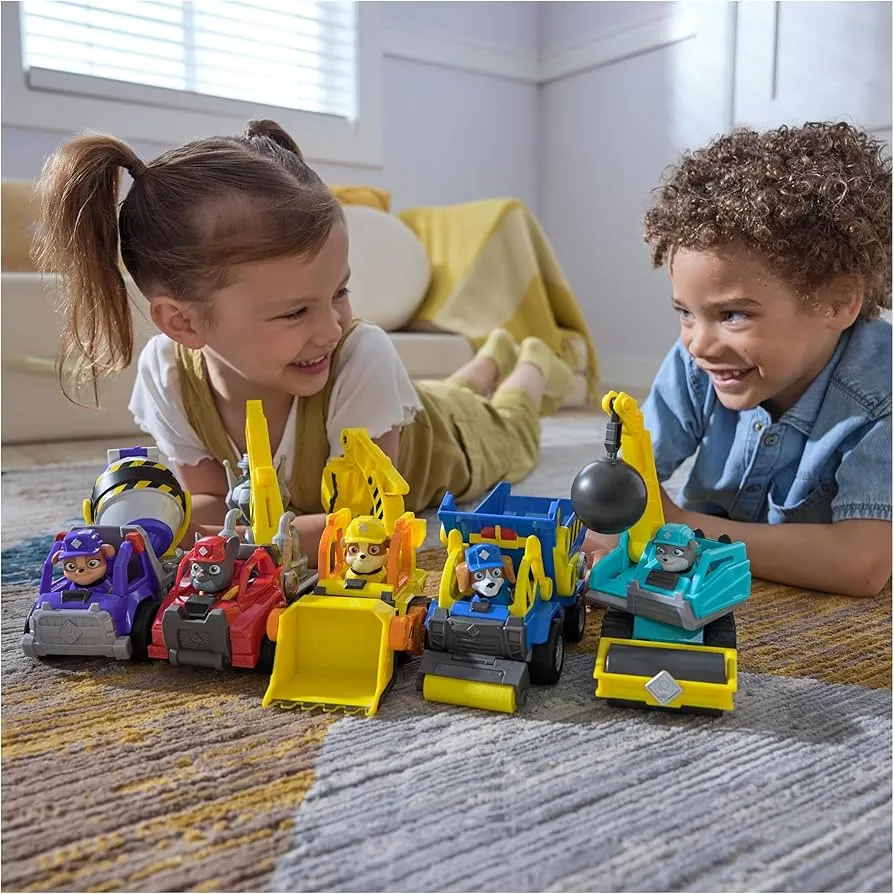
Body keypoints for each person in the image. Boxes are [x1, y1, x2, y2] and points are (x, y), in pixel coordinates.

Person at [34, 119, 574, 564]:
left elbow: (366, 524)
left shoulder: (359, 353)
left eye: (340, 292)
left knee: (510, 421)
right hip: (400, 401)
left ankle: (529, 360)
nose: (331, 328)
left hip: (452, 438)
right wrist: (151, 529)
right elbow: (209, 498)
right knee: (450, 388)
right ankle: (487, 361)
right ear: (184, 322)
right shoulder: (167, 375)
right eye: (295, 312)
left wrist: (247, 543)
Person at [584, 122, 891, 598]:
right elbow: (628, 481)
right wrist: (602, 535)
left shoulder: (881, 394)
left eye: (732, 315)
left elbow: (861, 565)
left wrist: (679, 526)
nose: (699, 345)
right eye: (686, 313)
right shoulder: (699, 362)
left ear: (837, 303)